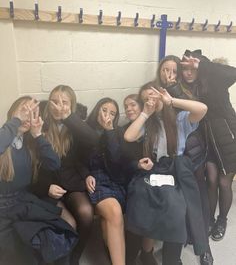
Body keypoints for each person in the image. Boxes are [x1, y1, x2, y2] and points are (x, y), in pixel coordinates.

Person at [124, 82, 209, 265]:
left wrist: (171, 101)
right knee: (139, 201)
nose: (152, 100)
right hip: (152, 170)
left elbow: (202, 109)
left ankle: (172, 260)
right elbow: (129, 136)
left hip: (174, 170)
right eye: (147, 98)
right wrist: (146, 112)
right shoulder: (148, 123)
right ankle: (139, 254)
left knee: (176, 210)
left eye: (154, 96)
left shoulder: (179, 120)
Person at [0, 96, 77, 265]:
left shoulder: (30, 143)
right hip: (3, 207)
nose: (28, 116)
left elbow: (54, 164)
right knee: (16, 250)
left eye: (33, 113)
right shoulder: (4, 136)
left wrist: (37, 135)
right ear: (13, 113)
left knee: (57, 233)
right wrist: (15, 122)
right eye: (24, 111)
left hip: (24, 200)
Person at [156, 55, 213, 265]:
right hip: (167, 161)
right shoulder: (155, 93)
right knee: (178, 207)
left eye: (173, 71)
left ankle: (203, 247)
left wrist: (172, 97)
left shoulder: (186, 91)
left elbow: (200, 109)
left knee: (195, 202)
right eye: (164, 70)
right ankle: (173, 256)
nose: (168, 75)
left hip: (189, 156)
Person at [34, 85, 99, 265]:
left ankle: (75, 258)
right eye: (54, 101)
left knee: (86, 213)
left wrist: (68, 118)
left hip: (71, 181)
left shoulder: (74, 124)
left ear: (72, 106)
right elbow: (33, 164)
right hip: (48, 184)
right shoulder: (40, 123)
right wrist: (45, 187)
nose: (58, 106)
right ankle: (64, 258)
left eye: (64, 103)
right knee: (69, 223)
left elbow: (94, 141)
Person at [181, 50, 236, 242]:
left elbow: (233, 73)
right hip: (209, 142)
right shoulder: (192, 89)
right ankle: (209, 220)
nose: (188, 73)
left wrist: (203, 65)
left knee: (223, 182)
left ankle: (222, 220)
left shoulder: (215, 83)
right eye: (185, 69)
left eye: (192, 69)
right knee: (211, 180)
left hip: (228, 138)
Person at [84, 98, 126, 265]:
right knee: (114, 211)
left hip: (115, 181)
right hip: (95, 181)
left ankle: (110, 256)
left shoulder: (117, 132)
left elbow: (116, 162)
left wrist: (109, 132)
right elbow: (76, 160)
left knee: (108, 219)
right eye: (104, 110)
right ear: (97, 111)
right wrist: (86, 174)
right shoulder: (85, 130)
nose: (107, 115)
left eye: (112, 113)